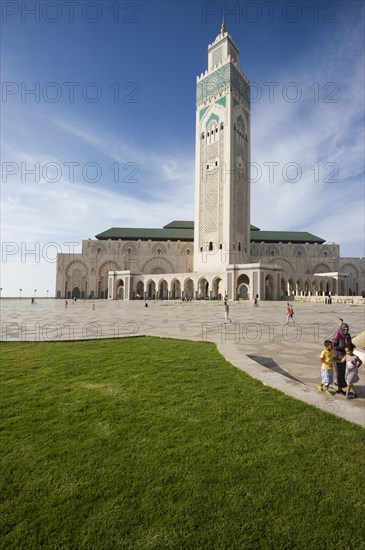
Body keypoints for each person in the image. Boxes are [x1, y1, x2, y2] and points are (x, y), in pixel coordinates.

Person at [332, 322, 352, 394]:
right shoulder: (337, 334)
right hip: (338, 356)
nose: (346, 330)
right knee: (339, 372)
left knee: (344, 372)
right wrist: (341, 349)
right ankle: (339, 389)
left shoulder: (348, 335)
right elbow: (334, 345)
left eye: (347, 329)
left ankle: (338, 382)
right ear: (341, 328)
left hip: (345, 355)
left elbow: (350, 344)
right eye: (344, 329)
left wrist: (350, 351)